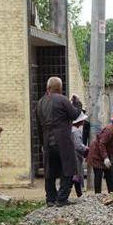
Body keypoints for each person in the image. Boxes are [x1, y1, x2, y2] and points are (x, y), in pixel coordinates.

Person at [36, 77, 81, 207]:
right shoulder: (62, 99)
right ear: (60, 88)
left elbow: (38, 126)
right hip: (63, 141)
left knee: (50, 171)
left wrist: (42, 144)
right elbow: (74, 114)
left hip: (47, 142)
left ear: (47, 88)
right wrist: (77, 104)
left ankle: (50, 199)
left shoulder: (40, 103)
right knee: (68, 169)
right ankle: (62, 198)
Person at [87, 116, 113, 194]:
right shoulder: (109, 130)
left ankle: (112, 193)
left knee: (109, 173)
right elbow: (101, 144)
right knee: (98, 174)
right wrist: (105, 158)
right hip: (96, 153)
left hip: (106, 152)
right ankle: (98, 195)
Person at [71, 112, 89, 197]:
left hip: (72, 155)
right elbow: (78, 145)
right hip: (76, 155)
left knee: (74, 175)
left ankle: (79, 193)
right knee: (77, 175)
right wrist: (86, 148)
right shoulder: (76, 131)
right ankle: (79, 194)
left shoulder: (71, 130)